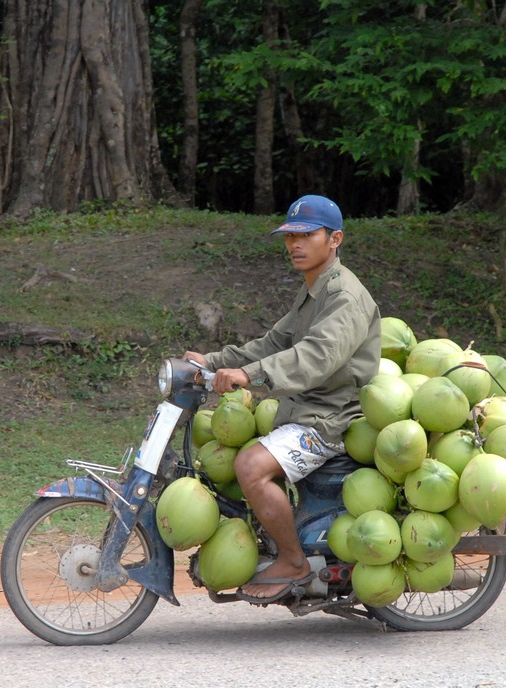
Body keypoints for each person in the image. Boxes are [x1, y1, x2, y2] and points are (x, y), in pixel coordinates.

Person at [185, 194, 381, 604]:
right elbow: (273, 343)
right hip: (302, 409)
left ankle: (292, 561)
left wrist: (249, 376)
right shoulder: (314, 290)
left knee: (250, 467)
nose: (296, 244)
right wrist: (213, 361)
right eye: (290, 236)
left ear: (335, 239)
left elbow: (317, 357)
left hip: (330, 420)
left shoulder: (345, 296)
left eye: (308, 234)